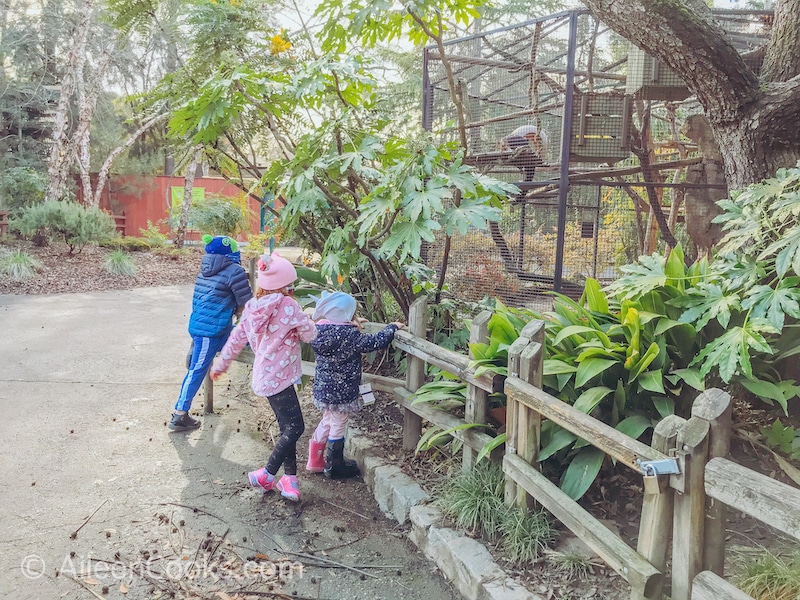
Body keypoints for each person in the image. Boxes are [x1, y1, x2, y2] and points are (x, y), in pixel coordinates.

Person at [210, 252, 316, 502]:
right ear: (284, 285)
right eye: (290, 283)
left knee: (286, 427)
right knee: (296, 427)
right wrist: (313, 321)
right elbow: (310, 335)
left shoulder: (252, 307)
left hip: (264, 377)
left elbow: (237, 339)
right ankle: (267, 474)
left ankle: (290, 480)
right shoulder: (288, 305)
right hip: (280, 378)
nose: (292, 287)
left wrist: (222, 364)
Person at [306, 291, 405, 479]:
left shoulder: (318, 331)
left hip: (324, 389)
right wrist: (392, 327)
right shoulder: (350, 335)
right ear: (347, 316)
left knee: (328, 418)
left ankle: (315, 459)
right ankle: (335, 465)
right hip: (342, 391)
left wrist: (349, 323)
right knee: (338, 423)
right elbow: (374, 342)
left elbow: (334, 328)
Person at [170, 234, 252, 432]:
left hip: (215, 327)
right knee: (197, 370)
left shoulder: (204, 270)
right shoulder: (235, 271)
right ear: (231, 252)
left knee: (246, 338)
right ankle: (179, 415)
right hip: (210, 332)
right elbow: (247, 303)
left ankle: (196, 350)